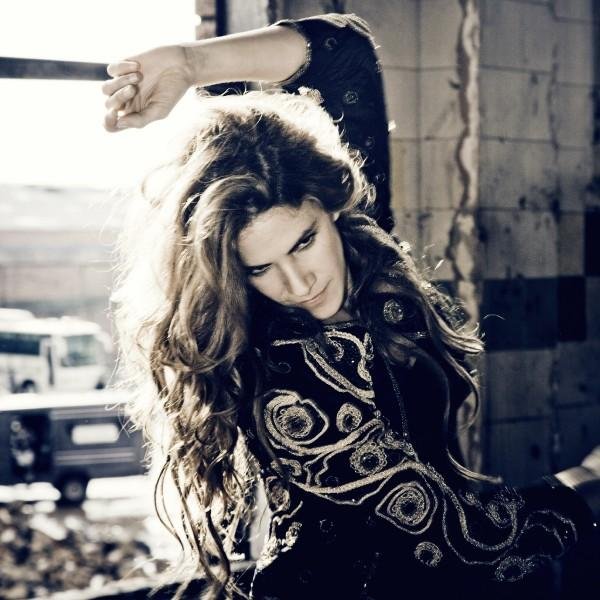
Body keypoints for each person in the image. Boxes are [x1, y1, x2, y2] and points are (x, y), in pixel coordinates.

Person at [102, 13, 600, 600]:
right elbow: (461, 545)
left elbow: (344, 52)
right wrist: (591, 479)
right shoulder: (290, 377)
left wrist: (191, 64)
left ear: (331, 206)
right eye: (259, 268)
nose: (297, 283)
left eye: (303, 242)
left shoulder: (362, 242)